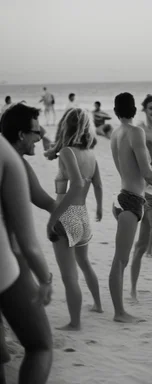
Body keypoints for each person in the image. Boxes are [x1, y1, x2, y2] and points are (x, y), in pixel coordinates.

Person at [0, 136, 52, 384]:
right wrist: (45, 278)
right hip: (3, 271)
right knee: (40, 346)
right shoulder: (5, 152)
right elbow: (28, 243)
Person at [45, 108, 103, 330]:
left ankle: (75, 323)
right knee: (85, 264)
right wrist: (99, 207)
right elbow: (97, 184)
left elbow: (76, 184)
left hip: (66, 214)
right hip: (83, 215)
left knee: (69, 276)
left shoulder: (68, 152)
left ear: (66, 125)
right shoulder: (90, 154)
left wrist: (53, 218)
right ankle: (98, 305)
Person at [110, 92, 152, 323]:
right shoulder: (136, 132)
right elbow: (146, 171)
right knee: (120, 260)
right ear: (134, 109)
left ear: (115, 110)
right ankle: (120, 313)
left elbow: (123, 168)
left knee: (122, 259)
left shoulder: (115, 134)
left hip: (123, 197)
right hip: (131, 201)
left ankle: (120, 310)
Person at [130, 94, 152, 301]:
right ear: (144, 109)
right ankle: (133, 288)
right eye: (151, 108)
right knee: (140, 245)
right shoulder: (140, 129)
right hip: (143, 189)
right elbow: (138, 161)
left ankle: (150, 249)